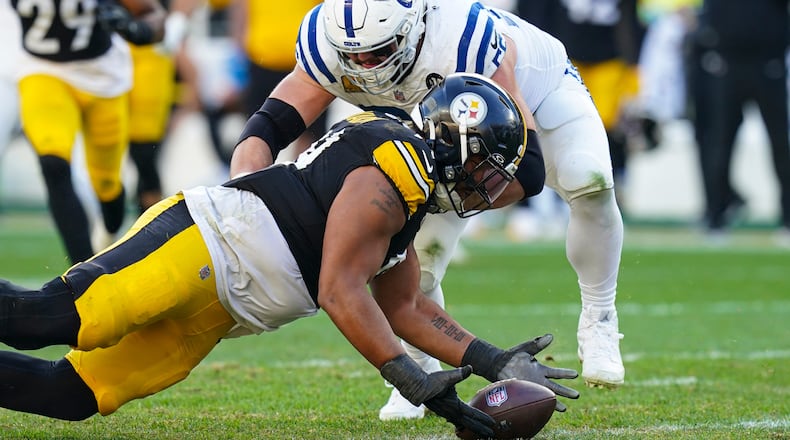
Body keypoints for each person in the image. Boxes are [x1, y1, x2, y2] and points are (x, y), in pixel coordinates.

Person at [0, 74, 579, 437]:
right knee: (53, 319)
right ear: (459, 145)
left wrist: (492, 360)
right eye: (486, 169)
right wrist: (406, 376)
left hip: (224, 308)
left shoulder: (411, 193)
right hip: (202, 244)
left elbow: (407, 308)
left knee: (72, 393)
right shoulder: (395, 169)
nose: (490, 188)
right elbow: (339, 289)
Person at [231, 0, 625, 419]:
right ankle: (416, 376)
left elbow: (525, 172)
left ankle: (599, 316)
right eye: (354, 56)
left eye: (379, 52)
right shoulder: (327, 44)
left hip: (537, 97)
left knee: (589, 179)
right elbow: (268, 127)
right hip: (436, 132)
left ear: (416, 28)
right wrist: (241, 198)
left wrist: (436, 198)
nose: (365, 66)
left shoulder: (460, 40)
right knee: (418, 266)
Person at [10, 0, 166, 264]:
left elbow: (154, 14)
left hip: (103, 80)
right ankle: (82, 274)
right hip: (42, 71)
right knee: (53, 162)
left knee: (107, 184)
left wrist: (139, 30)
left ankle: (107, 232)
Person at [689, 0, 790, 242]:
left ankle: (787, 218)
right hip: (727, 64)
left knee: (780, 144)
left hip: (768, 64)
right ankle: (715, 217)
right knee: (720, 142)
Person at [230, 0, 326, 162]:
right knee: (258, 129)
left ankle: (301, 183)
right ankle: (255, 181)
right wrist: (237, 52)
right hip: (264, 57)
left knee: (311, 133)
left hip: (305, 60)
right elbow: (240, 8)